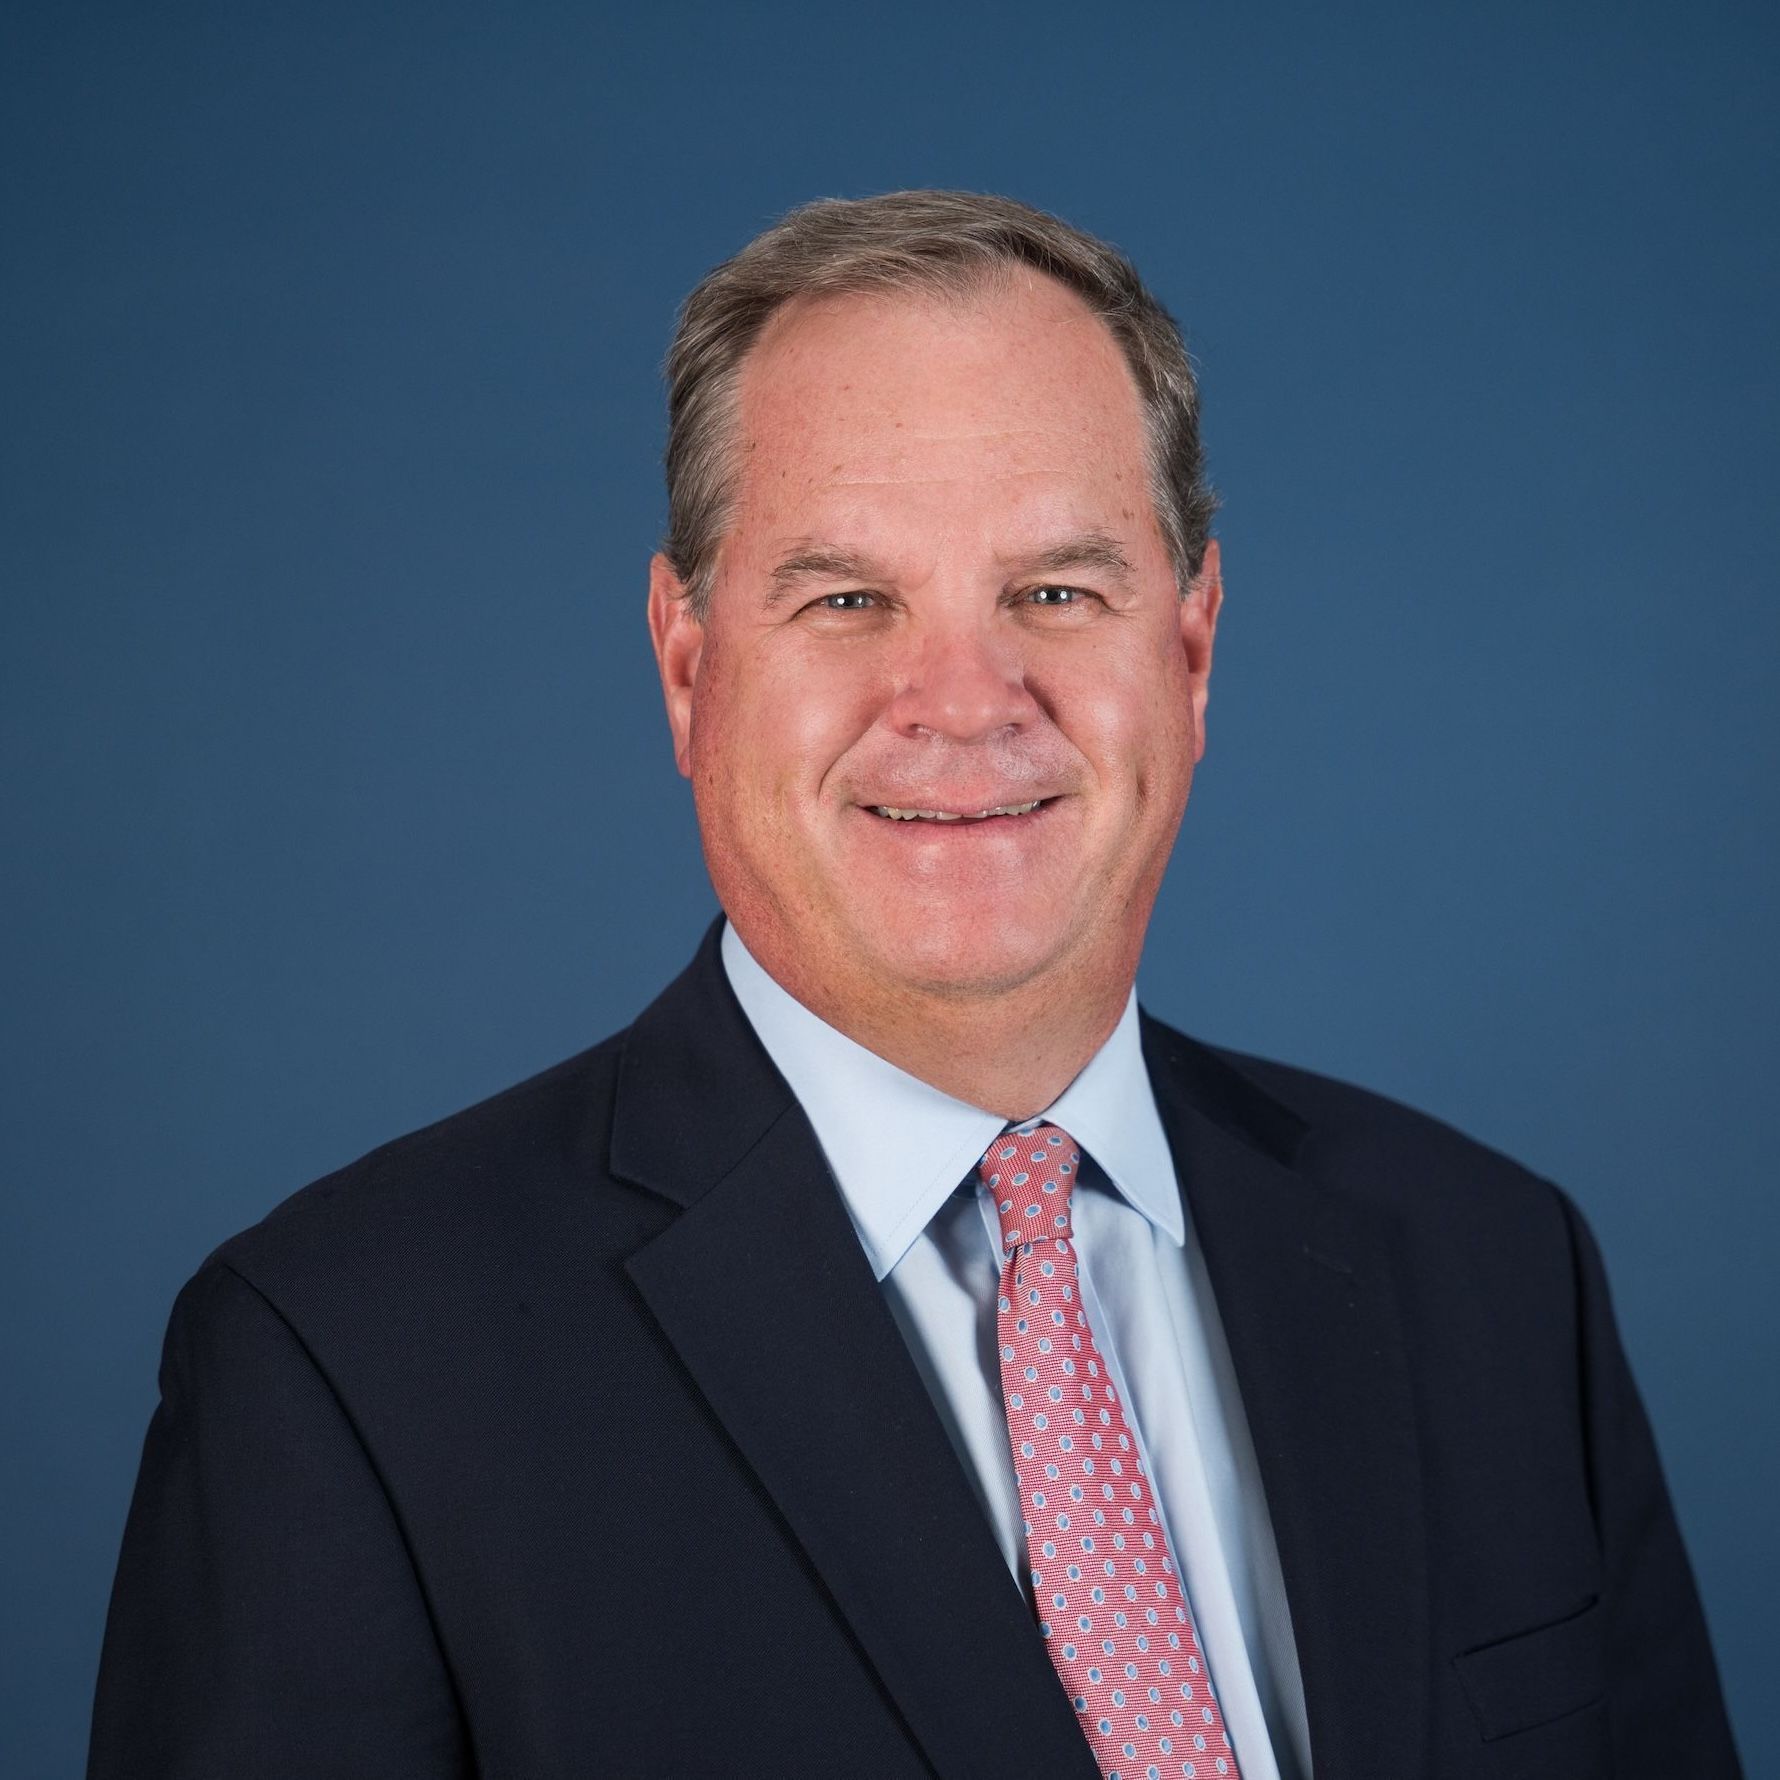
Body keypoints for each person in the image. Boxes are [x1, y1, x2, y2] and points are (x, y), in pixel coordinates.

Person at [88, 190, 1740, 1780]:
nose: (962, 699)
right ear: (686, 663)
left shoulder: (1495, 1271)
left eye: (1056, 591)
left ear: (1193, 646)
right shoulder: (347, 1368)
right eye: (850, 599)